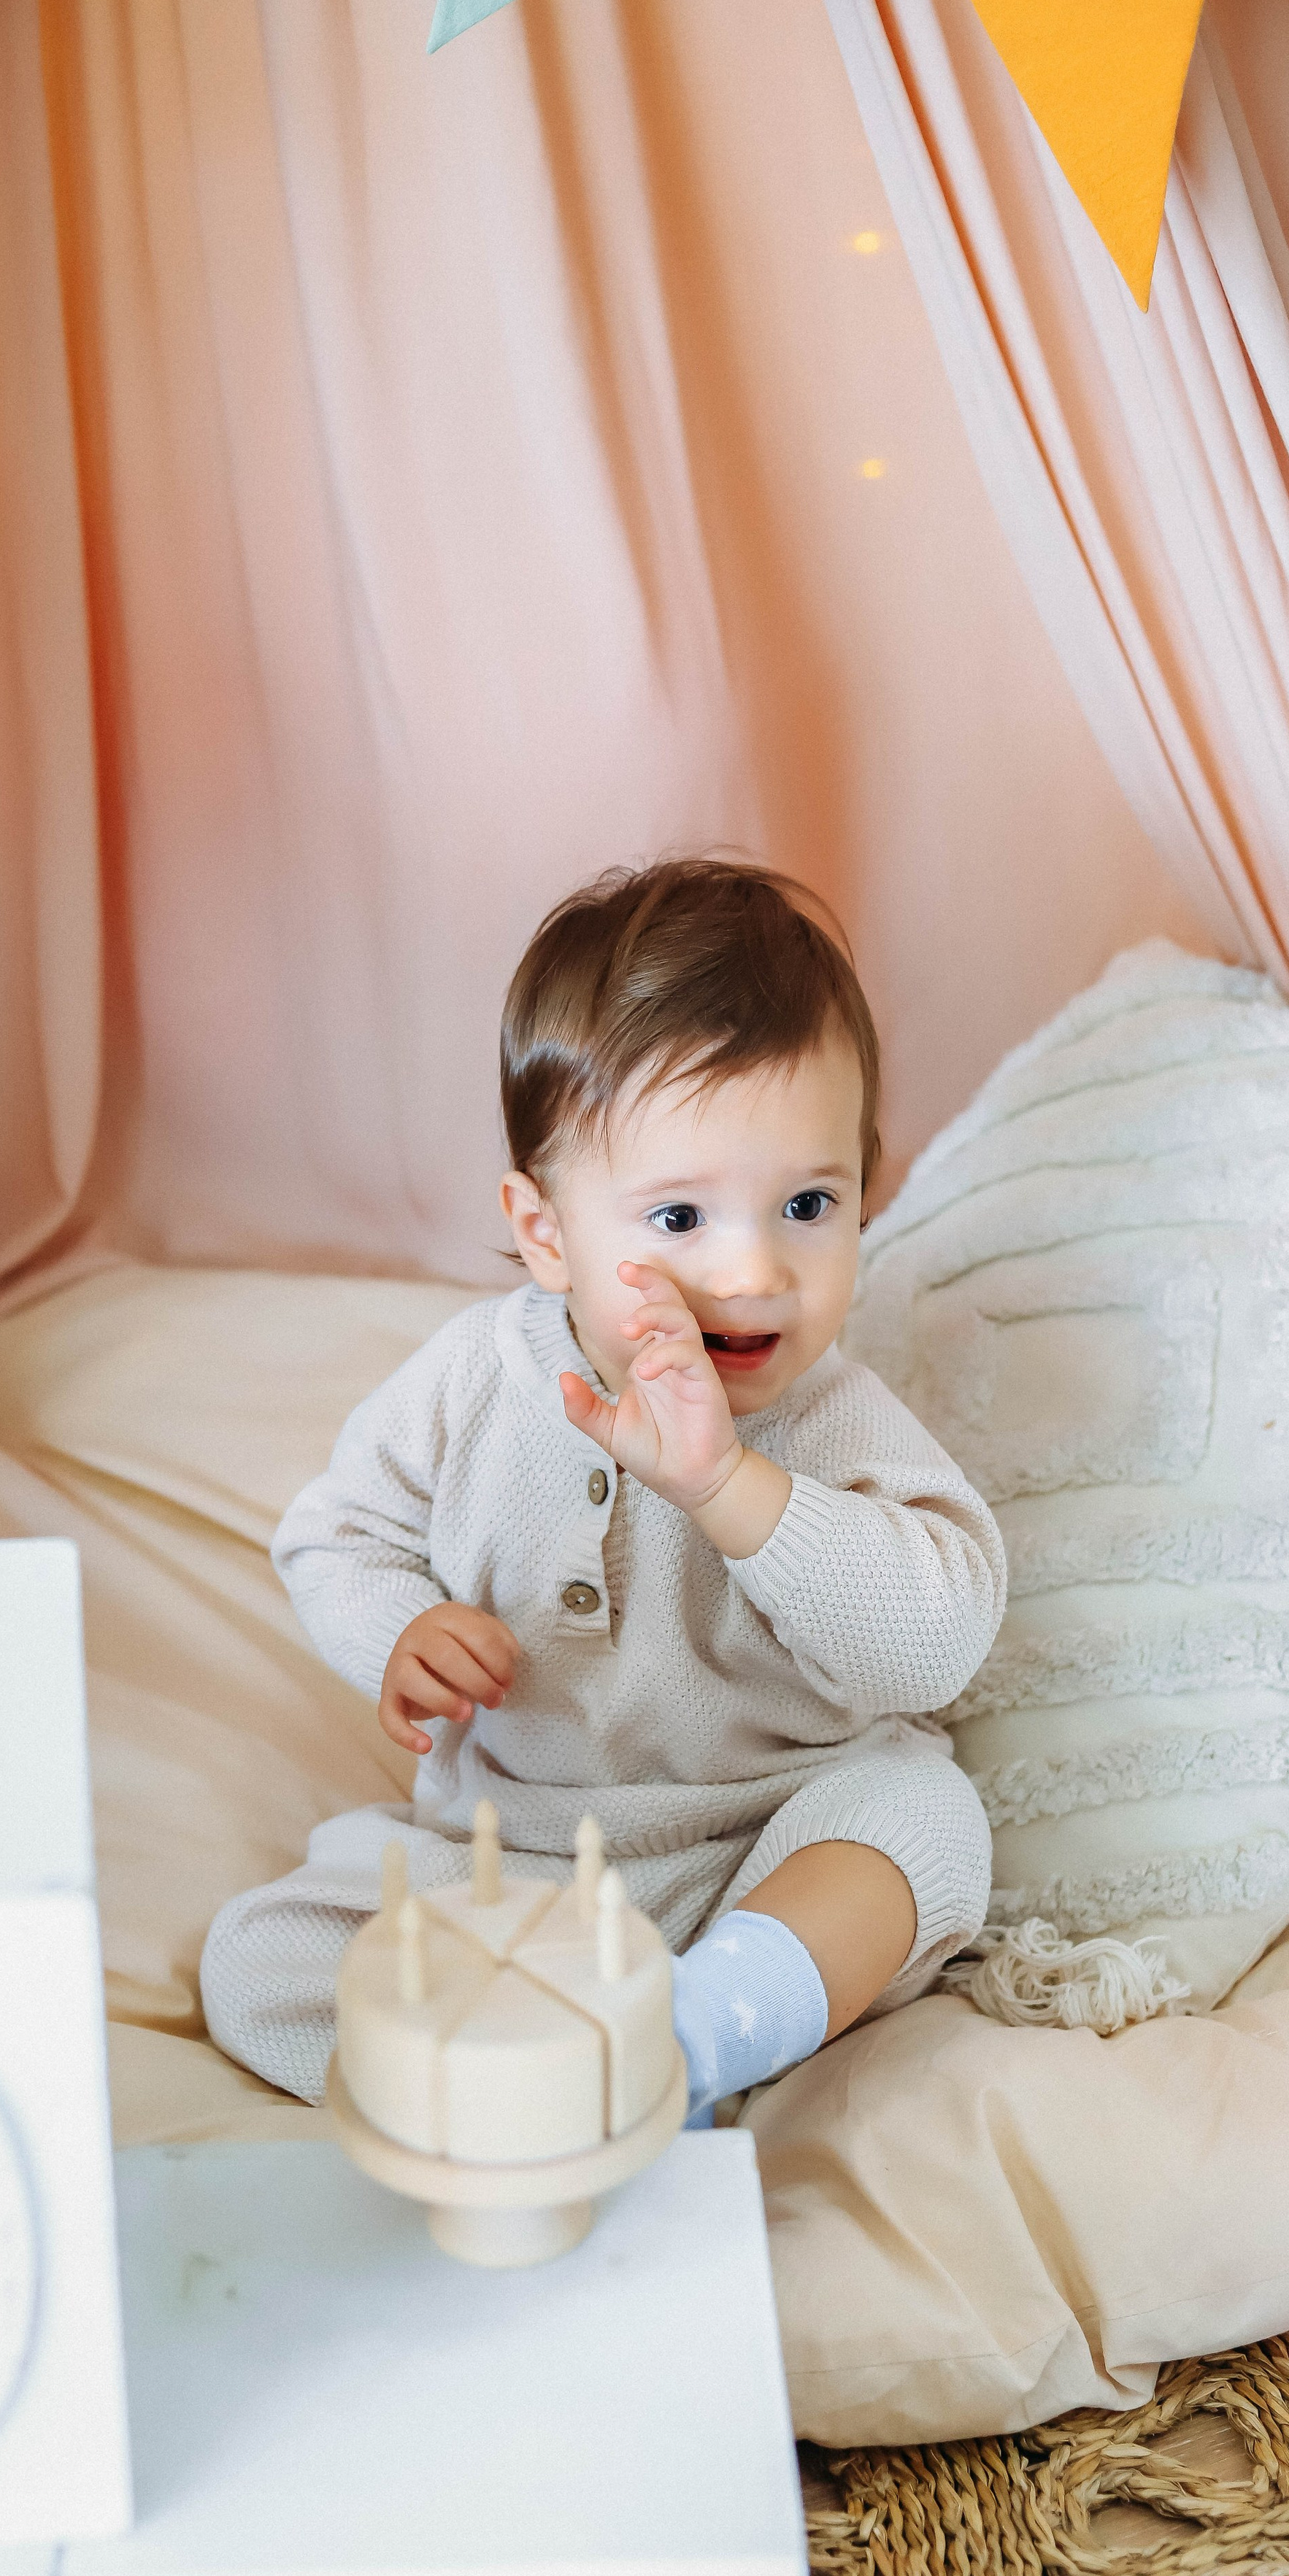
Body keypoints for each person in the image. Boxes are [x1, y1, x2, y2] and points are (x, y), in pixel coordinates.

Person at [201, 857, 1005, 2124]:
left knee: (928, 1826)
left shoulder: (837, 1414)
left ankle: (688, 2040)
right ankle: (528, 2093)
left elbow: (939, 1644)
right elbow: (336, 1534)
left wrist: (732, 1487)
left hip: (764, 1842)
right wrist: (399, 1633)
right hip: (513, 1854)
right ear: (546, 1234)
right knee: (260, 1963)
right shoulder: (475, 1382)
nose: (751, 1269)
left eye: (808, 1203)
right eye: (680, 1218)